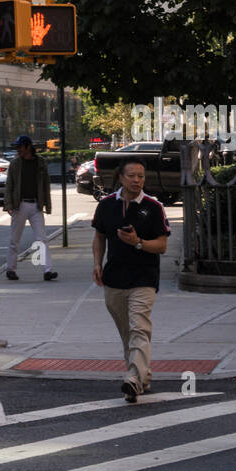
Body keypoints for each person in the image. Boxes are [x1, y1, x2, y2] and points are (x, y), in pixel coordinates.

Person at [92, 158, 170, 403]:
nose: (137, 180)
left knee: (139, 329)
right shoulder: (105, 205)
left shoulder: (153, 207)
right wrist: (97, 263)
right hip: (114, 279)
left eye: (141, 176)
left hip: (144, 279)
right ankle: (141, 376)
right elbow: (99, 236)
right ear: (121, 178)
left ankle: (133, 379)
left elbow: (162, 245)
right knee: (128, 334)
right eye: (132, 176)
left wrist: (138, 242)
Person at [4, 135, 57, 281]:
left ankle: (48, 270)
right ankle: (10, 269)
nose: (18, 150)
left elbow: (46, 185)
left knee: (42, 238)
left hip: (36, 205)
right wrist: (8, 204)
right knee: (14, 239)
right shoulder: (15, 164)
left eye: (20, 147)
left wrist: (47, 204)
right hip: (19, 205)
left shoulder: (40, 163)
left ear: (28, 147)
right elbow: (9, 185)